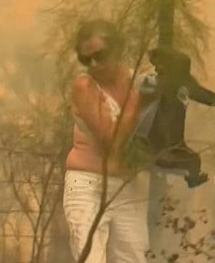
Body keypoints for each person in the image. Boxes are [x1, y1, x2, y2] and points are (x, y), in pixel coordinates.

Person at [64, 19, 150, 263]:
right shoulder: (86, 86)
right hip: (87, 184)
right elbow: (111, 139)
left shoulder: (138, 80)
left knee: (133, 257)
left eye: (100, 55)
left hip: (128, 185)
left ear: (117, 49)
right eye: (85, 59)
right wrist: (135, 103)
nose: (93, 64)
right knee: (91, 258)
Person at [129, 47, 215, 188]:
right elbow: (200, 94)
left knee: (193, 160)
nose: (157, 69)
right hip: (157, 139)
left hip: (168, 141)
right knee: (191, 160)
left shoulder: (176, 83)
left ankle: (191, 177)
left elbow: (201, 94)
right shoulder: (160, 82)